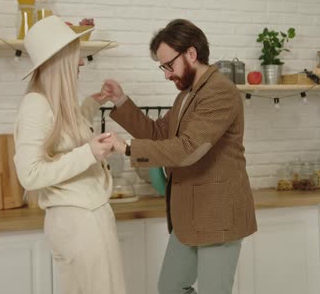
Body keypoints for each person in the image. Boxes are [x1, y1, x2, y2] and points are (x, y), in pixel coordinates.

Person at [101, 19, 256, 294]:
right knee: (171, 287)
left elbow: (188, 148)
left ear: (191, 54)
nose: (166, 74)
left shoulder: (220, 91)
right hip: (189, 216)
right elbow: (159, 133)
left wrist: (127, 148)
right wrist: (122, 101)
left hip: (218, 215)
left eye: (168, 65)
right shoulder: (187, 95)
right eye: (163, 67)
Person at [13, 15, 126, 294]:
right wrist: (90, 153)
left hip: (84, 217)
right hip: (79, 222)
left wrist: (91, 104)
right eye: (76, 54)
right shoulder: (35, 105)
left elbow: (63, 135)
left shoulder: (55, 102)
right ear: (60, 59)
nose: (81, 62)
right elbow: (29, 174)